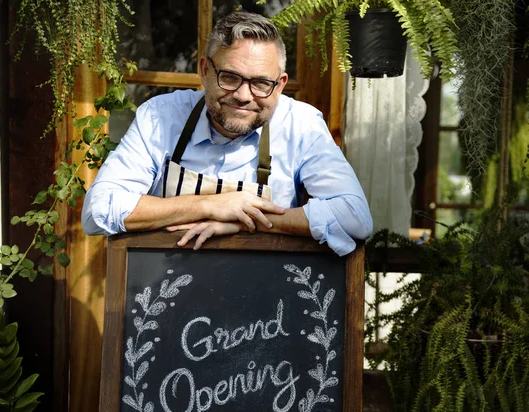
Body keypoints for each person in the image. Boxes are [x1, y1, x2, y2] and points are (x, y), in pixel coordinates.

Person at [81, 11, 372, 256]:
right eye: (230, 77)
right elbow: (98, 211)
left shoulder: (302, 124)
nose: (244, 96)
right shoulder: (161, 117)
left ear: (281, 85)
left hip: (267, 306)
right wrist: (210, 205)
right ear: (205, 70)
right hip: (165, 292)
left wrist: (246, 219)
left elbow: (355, 217)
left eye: (261, 83)